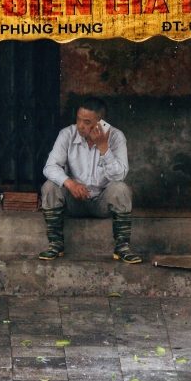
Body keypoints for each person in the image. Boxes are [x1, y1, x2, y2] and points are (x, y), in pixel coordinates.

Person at [39, 97, 141, 264]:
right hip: (74, 201)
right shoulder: (67, 134)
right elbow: (49, 167)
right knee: (50, 186)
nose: (80, 126)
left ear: (101, 123)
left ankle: (122, 247)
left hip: (102, 202)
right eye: (78, 119)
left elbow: (119, 176)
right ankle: (55, 244)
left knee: (121, 189)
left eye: (87, 122)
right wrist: (70, 183)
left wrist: (103, 147)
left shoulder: (116, 137)